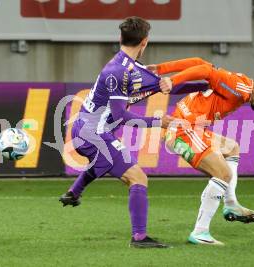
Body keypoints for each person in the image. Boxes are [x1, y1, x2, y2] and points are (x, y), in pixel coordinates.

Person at [59, 16, 176, 248]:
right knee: (138, 177)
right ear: (145, 42)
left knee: (106, 160)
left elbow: (168, 84)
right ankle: (140, 238)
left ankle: (74, 192)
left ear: (119, 38)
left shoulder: (125, 66)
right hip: (93, 134)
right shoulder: (118, 72)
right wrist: (158, 121)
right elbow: (122, 116)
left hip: (89, 131)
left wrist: (178, 81)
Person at [154, 57, 254, 245]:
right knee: (222, 173)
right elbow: (205, 70)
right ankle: (200, 232)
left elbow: (199, 62)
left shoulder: (242, 84)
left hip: (192, 128)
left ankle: (231, 204)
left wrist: (162, 68)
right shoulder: (240, 87)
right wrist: (172, 80)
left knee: (232, 148)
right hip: (182, 130)